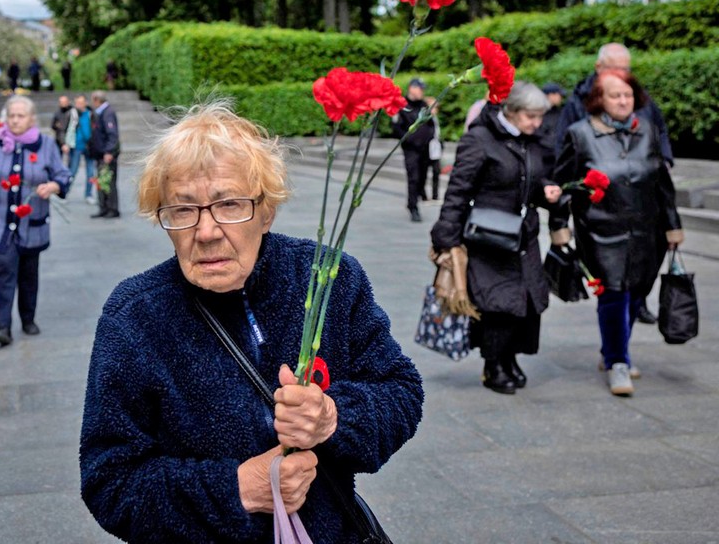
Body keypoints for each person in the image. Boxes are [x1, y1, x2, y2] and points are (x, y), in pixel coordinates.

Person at [79, 101, 424, 542]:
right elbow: (110, 482)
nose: (205, 232)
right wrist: (234, 490)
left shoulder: (327, 277)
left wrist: (335, 417)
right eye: (183, 210)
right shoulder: (134, 315)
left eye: (229, 204)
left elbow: (400, 390)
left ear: (267, 210)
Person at [551, 70, 683, 397]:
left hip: (646, 230)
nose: (623, 101)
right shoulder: (578, 134)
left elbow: (662, 183)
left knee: (638, 293)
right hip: (599, 231)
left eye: (628, 95)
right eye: (615, 95)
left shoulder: (648, 130)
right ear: (599, 100)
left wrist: (673, 223)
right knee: (613, 295)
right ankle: (617, 361)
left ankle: (613, 348)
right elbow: (563, 183)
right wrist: (558, 225)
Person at [431, 82, 562, 395]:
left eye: (539, 117)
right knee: (497, 303)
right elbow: (458, 191)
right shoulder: (479, 139)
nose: (536, 123)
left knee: (525, 302)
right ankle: (494, 365)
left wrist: (546, 191)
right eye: (530, 116)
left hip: (523, 235)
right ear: (511, 112)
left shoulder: (531, 140)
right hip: (489, 237)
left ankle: (510, 358)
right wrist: (446, 238)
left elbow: (532, 179)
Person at [553, 42, 672, 325]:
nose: (621, 74)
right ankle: (616, 350)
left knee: (641, 273)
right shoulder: (579, 103)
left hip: (642, 203)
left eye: (626, 69)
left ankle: (635, 306)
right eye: (615, 68)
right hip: (601, 211)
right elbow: (565, 154)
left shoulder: (637, 97)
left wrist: (661, 161)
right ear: (598, 69)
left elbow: (659, 134)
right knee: (611, 285)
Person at [0, 96, 71, 346]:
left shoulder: (46, 145)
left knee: (29, 274)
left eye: (20, 116)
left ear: (31, 119)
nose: (15, 120)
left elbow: (63, 175)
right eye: (11, 116)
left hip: (32, 224)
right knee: (4, 269)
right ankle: (3, 326)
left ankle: (28, 319)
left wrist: (52, 185)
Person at [391, 77, 434, 222]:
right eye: (420, 88)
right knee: (414, 178)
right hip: (411, 150)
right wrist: (410, 139)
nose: (422, 92)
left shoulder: (423, 105)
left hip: (425, 149)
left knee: (422, 177)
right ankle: (413, 206)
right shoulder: (402, 105)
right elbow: (397, 128)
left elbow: (431, 123)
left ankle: (417, 197)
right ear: (412, 88)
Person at [89, 90, 121, 219]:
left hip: (107, 154)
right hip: (100, 153)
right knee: (102, 182)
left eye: (93, 100)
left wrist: (109, 152)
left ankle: (112, 209)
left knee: (109, 182)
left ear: (97, 100)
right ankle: (104, 207)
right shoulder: (101, 112)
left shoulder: (108, 112)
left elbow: (112, 134)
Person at [67, 94, 96, 205]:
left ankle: (88, 194)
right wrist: (65, 143)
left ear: (85, 103)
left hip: (89, 146)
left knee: (90, 172)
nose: (78, 105)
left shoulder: (91, 114)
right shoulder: (72, 113)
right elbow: (65, 127)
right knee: (72, 171)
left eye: (80, 102)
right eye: (77, 102)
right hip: (76, 146)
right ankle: (65, 192)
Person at [537, 82, 566, 174]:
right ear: (550, 95)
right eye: (558, 94)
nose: (561, 97)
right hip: (545, 161)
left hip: (559, 159)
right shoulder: (538, 114)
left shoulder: (561, 112)